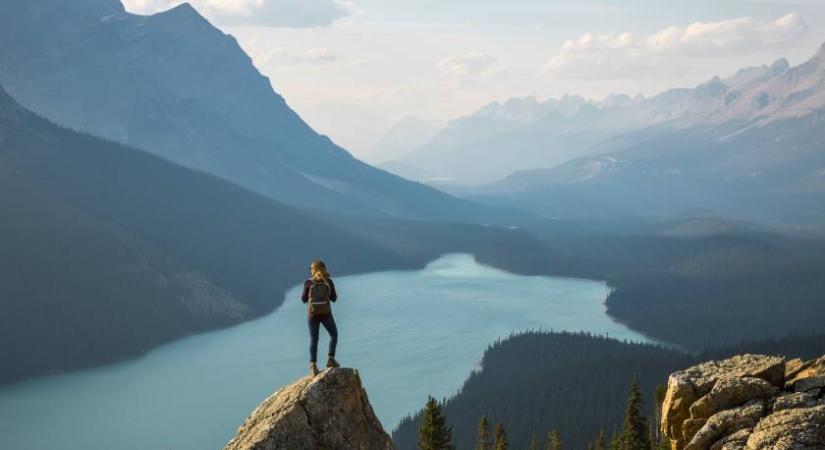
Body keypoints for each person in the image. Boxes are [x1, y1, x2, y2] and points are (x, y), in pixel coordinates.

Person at [301, 259, 340, 376]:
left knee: (314, 339)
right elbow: (334, 299)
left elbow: (303, 299)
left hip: (312, 315)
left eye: (311, 268)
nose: (310, 270)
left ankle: (313, 366)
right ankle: (331, 360)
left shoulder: (308, 282)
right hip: (326, 314)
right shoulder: (328, 281)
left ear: (314, 269)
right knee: (334, 335)